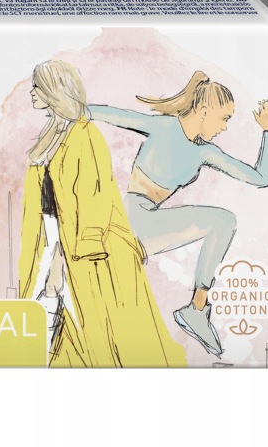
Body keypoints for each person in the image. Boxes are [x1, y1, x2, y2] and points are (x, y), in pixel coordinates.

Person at [88, 71, 268, 357]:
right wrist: (75, 109)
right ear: (204, 110)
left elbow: (261, 178)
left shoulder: (205, 153)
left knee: (224, 222)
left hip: (148, 224)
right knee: (223, 221)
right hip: (132, 220)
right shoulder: (164, 127)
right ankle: (196, 311)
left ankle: (196, 311)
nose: (225, 127)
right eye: (224, 118)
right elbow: (113, 115)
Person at [18, 60, 186, 367]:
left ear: (54, 90)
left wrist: (64, 258)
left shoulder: (85, 135)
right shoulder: (50, 136)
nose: (31, 93)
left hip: (87, 248)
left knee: (88, 322)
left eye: (37, 87)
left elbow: (93, 197)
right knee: (59, 320)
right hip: (52, 238)